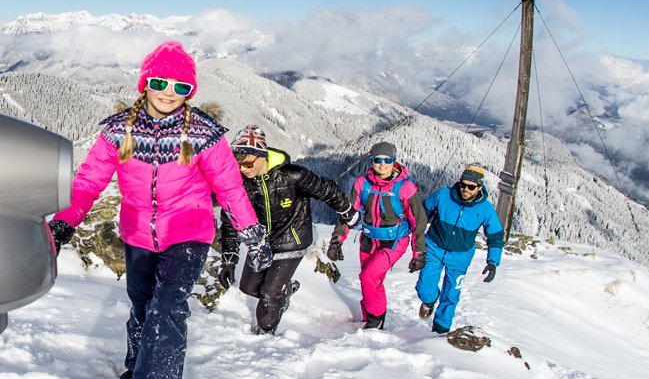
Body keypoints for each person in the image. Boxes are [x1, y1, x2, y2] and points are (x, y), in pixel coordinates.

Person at [48, 40, 267, 379]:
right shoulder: (117, 131)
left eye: (181, 87)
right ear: (145, 83)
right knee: (141, 304)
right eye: (162, 83)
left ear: (190, 91)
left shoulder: (204, 134)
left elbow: (230, 188)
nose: (170, 93)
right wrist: (64, 223)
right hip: (137, 234)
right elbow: (87, 182)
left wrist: (251, 232)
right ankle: (138, 360)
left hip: (188, 231)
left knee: (167, 306)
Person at [216, 125, 355, 335]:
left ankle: (264, 333)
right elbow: (229, 222)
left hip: (293, 239)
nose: (243, 168)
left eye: (247, 162)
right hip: (262, 244)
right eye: (238, 163)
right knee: (248, 287)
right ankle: (285, 289)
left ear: (262, 156)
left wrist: (346, 210)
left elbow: (327, 189)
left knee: (269, 295)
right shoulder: (240, 185)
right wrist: (229, 259)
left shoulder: (293, 175)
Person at [325, 141, 426, 330]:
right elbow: (348, 213)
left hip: (394, 241)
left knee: (369, 277)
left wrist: (418, 252)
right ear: (372, 161)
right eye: (377, 159)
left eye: (387, 160)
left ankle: (376, 320)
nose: (382, 164)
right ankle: (369, 316)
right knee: (368, 278)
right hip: (369, 239)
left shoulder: (405, 187)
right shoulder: (363, 184)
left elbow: (418, 221)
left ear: (394, 161)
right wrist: (336, 241)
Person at [412, 163, 505, 334]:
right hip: (434, 247)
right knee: (425, 287)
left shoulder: (485, 209)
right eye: (463, 185)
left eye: (471, 187)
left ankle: (440, 330)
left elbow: (496, 236)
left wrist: (493, 261)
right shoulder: (443, 195)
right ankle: (429, 301)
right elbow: (422, 214)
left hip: (461, 257)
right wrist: (413, 239)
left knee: (451, 294)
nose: (465, 189)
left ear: (479, 187)